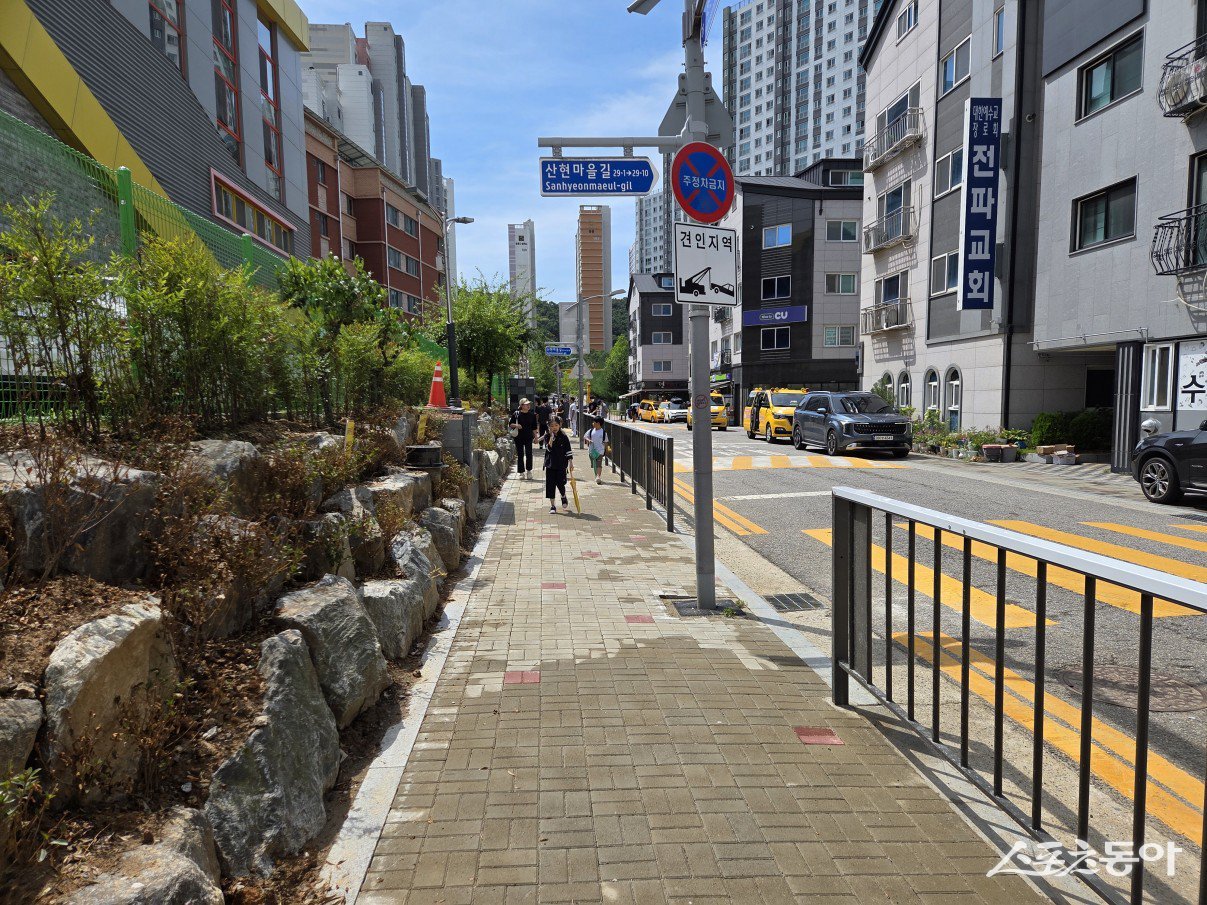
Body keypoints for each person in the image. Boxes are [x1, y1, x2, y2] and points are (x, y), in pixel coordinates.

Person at [543, 415, 573, 513]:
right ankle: (552, 506)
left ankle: (563, 496)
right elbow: (548, 449)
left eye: (556, 425)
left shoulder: (564, 437)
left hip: (561, 464)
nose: (554, 427)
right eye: (552, 426)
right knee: (550, 485)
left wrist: (571, 462)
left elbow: (568, 450)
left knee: (561, 483)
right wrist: (551, 438)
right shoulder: (547, 436)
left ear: (559, 425)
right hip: (550, 464)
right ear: (549, 426)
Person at [508, 398, 538, 479]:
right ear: (521, 405)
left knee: (529, 454)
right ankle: (521, 472)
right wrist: (516, 425)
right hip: (518, 437)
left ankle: (529, 471)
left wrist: (536, 437)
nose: (528, 405)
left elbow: (534, 427)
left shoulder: (532, 415)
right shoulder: (516, 414)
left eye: (529, 404)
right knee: (520, 454)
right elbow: (510, 424)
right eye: (526, 404)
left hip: (528, 437)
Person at [584, 415, 608, 485]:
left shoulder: (603, 432)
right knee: (594, 464)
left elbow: (606, 442)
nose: (592, 423)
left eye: (594, 422)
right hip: (591, 451)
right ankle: (596, 475)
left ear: (598, 423)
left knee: (599, 464)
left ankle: (598, 477)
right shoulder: (591, 431)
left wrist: (606, 450)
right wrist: (589, 440)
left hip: (600, 451)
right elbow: (585, 437)